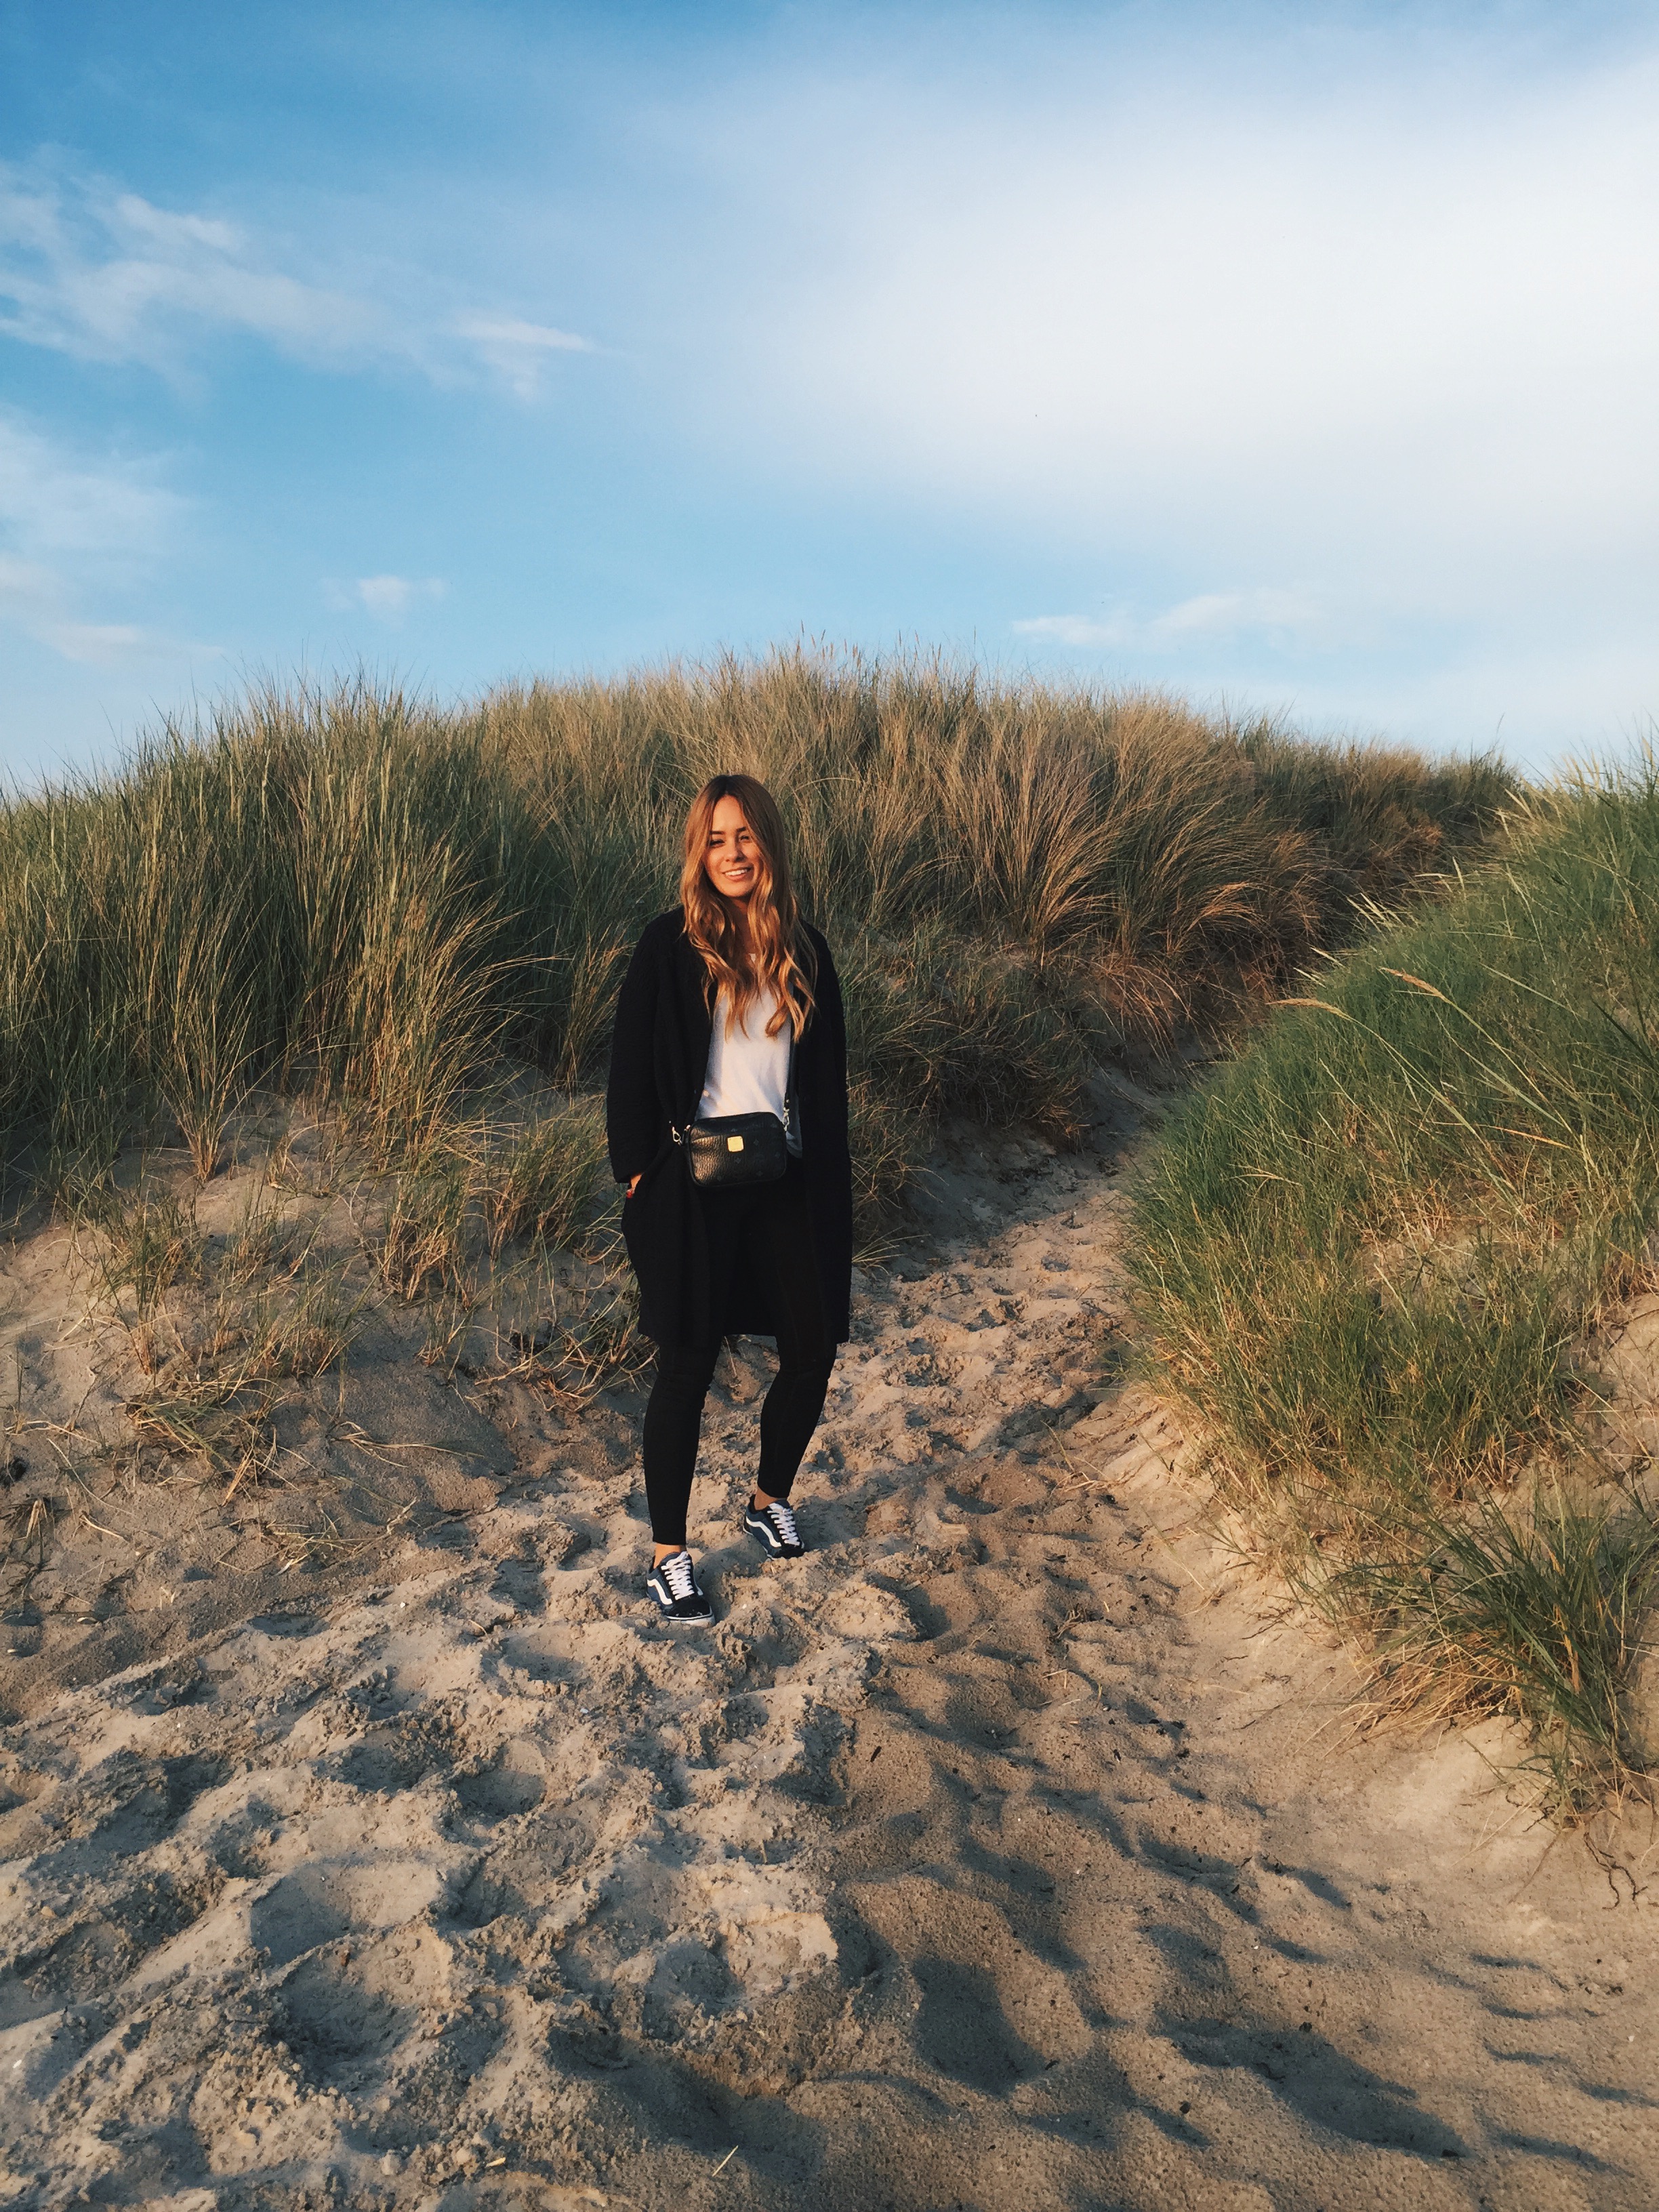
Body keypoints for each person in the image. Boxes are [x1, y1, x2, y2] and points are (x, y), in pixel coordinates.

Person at [606, 773, 853, 1623]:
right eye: (716, 840)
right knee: (687, 1367)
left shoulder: (807, 950)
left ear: (769, 845)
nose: (733, 854)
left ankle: (765, 1498)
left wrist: (829, 1189)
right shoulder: (667, 944)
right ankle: (669, 1554)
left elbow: (827, 1089)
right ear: (698, 852)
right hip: (691, 1185)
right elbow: (629, 1072)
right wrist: (637, 1174)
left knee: (814, 1347)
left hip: (781, 1179)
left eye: (745, 836)